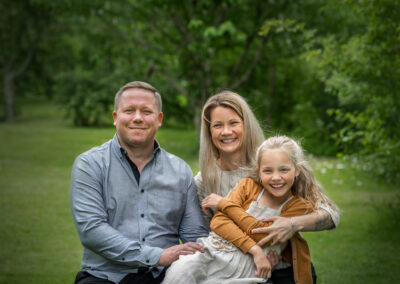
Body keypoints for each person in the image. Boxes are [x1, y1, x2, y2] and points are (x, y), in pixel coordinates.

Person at [70, 81, 208, 284]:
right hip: (104, 276)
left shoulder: (180, 171)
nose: (137, 118)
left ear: (159, 119)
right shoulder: (90, 165)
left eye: (146, 111)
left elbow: (194, 236)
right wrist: (157, 256)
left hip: (164, 277)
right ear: (115, 117)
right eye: (129, 111)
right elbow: (91, 231)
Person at [194, 91, 340, 283]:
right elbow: (209, 232)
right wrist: (254, 253)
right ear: (209, 130)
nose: (226, 131)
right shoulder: (205, 180)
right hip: (235, 268)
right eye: (218, 125)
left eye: (234, 123)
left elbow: (331, 216)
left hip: (284, 266)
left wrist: (292, 224)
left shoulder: (272, 163)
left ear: (246, 125)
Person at [163, 135, 337, 283]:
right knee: (179, 271)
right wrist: (255, 250)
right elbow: (219, 222)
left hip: (250, 265)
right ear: (259, 171)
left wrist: (224, 204)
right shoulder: (248, 186)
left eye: (283, 170)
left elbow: (262, 234)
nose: (276, 178)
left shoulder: (298, 205)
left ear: (297, 170)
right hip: (216, 250)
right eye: (268, 171)